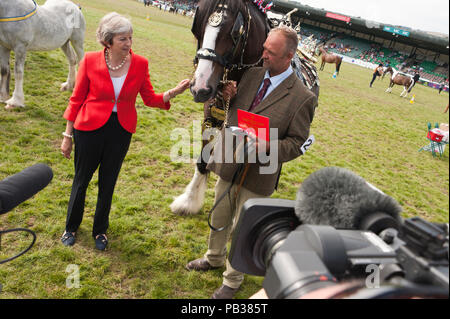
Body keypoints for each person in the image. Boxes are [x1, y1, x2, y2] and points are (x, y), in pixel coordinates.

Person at [185, 25, 317, 299]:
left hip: (259, 174)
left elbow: (296, 144)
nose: (263, 54)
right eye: (264, 47)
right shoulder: (251, 74)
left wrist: (268, 146)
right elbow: (232, 110)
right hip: (229, 161)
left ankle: (231, 282)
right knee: (219, 216)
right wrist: (228, 96)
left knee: (243, 228)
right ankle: (213, 258)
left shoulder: (303, 98)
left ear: (288, 56)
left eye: (271, 51)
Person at [60, 12, 190, 250]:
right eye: (122, 39)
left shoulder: (140, 63)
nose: (128, 43)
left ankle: (100, 230)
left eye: (130, 38)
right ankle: (71, 227)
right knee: (81, 180)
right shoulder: (89, 60)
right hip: (88, 129)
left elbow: (149, 98)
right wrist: (67, 136)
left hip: (121, 131)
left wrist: (172, 93)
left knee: (108, 182)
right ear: (107, 41)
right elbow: (76, 99)